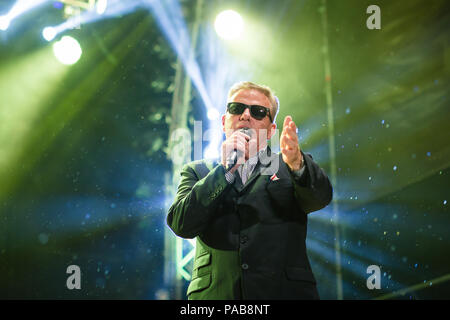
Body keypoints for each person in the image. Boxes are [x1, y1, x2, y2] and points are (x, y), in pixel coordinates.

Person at [167, 81, 333, 299]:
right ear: (225, 121)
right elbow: (181, 224)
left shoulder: (290, 165)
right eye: (237, 108)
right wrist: (224, 171)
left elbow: (319, 199)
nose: (246, 115)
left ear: (271, 129)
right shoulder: (197, 171)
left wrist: (297, 164)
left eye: (258, 112)